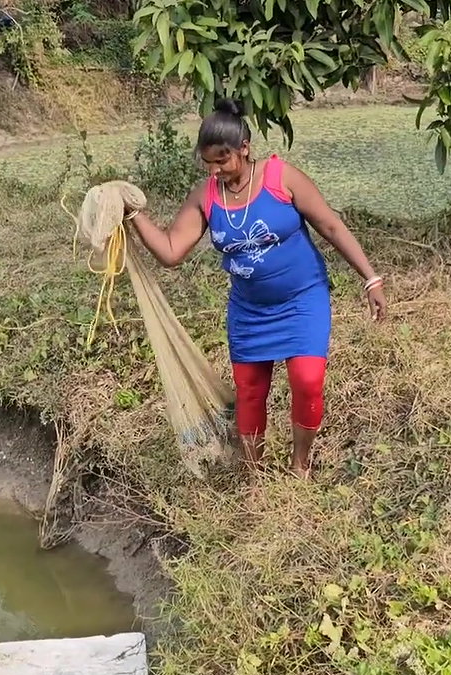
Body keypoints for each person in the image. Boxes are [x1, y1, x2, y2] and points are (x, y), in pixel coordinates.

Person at [126, 98, 387, 478]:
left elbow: (330, 226)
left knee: (308, 380)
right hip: (249, 312)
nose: (215, 170)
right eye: (208, 162)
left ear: (244, 148)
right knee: (250, 393)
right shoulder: (206, 196)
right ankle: (255, 475)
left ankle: (301, 466)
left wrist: (371, 278)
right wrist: (133, 214)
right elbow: (170, 251)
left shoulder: (282, 178)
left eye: (223, 159)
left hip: (302, 302)